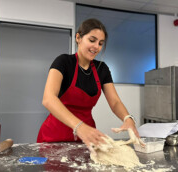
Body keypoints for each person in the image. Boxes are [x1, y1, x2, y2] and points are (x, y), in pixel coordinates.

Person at [37, 18, 140, 149]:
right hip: (54, 137)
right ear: (78, 38)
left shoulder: (102, 69)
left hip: (87, 137)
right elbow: (48, 99)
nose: (96, 46)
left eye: (100, 43)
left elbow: (115, 102)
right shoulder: (63, 62)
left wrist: (128, 119)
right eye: (92, 40)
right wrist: (79, 126)